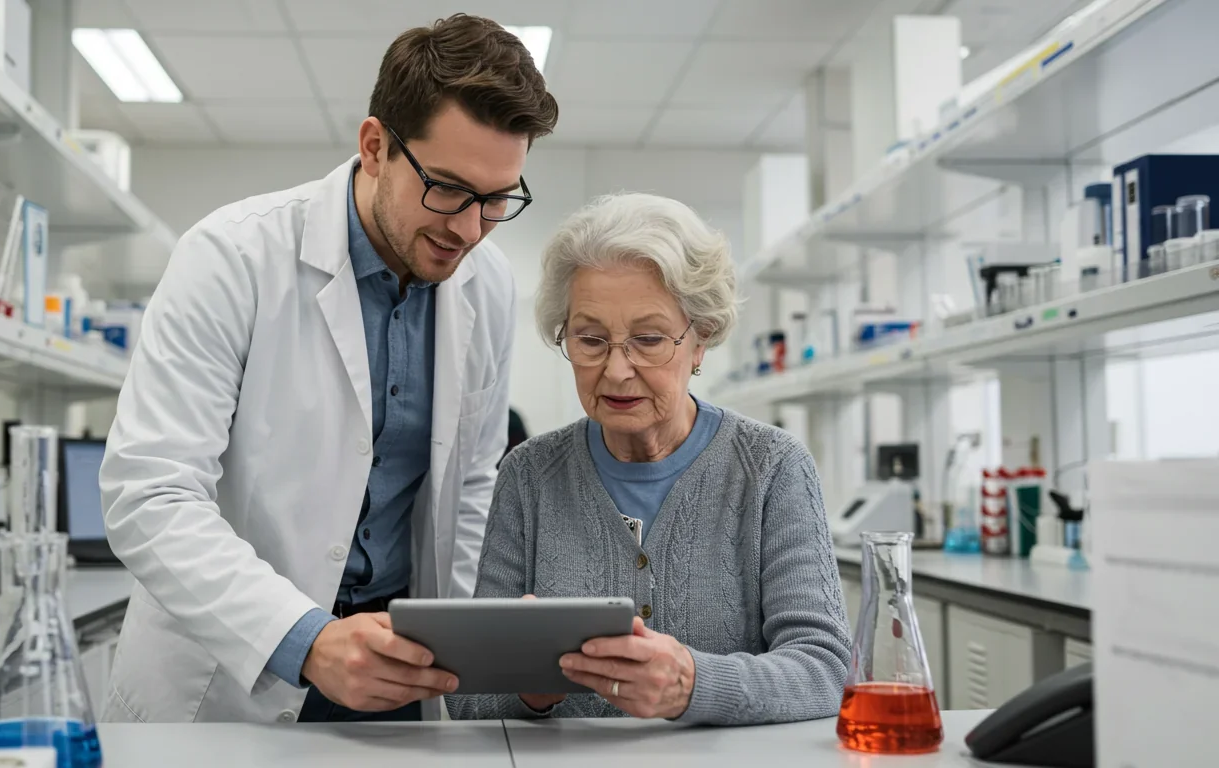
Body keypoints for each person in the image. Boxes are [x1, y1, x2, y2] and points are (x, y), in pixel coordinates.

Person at [99, 14, 558, 725]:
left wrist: (480, 639)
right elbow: (150, 493)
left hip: (401, 665)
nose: (468, 229)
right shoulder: (231, 257)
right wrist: (305, 640)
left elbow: (470, 482)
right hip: (235, 669)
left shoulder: (486, 282)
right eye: (447, 189)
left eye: (497, 200)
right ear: (376, 147)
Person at [447, 193, 852, 725]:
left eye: (648, 339)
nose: (616, 370)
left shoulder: (771, 468)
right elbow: (467, 697)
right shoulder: (529, 475)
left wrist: (693, 684)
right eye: (590, 339)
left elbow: (826, 672)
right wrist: (528, 686)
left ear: (701, 339)